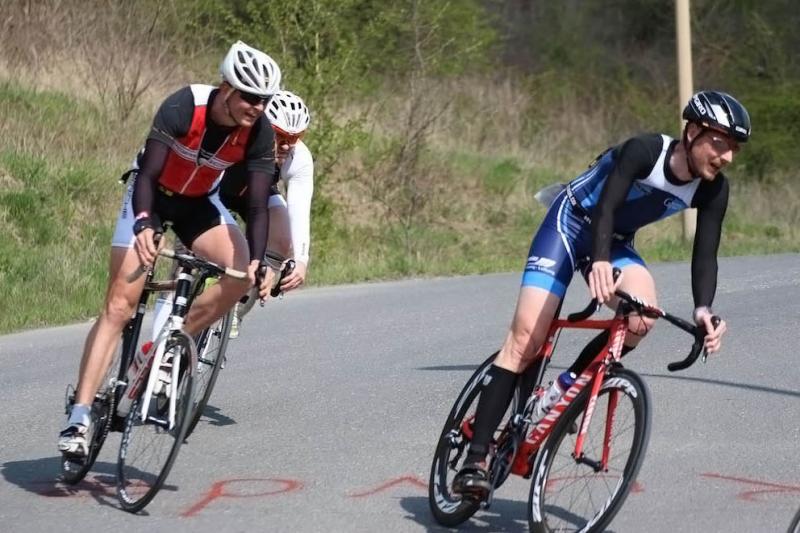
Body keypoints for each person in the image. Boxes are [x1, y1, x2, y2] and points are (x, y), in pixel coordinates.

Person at [451, 90, 751, 499]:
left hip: (615, 241)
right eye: (719, 143)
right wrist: (600, 261)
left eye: (733, 148)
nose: (727, 156)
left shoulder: (713, 190)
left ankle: (562, 391)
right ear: (693, 131)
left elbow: (706, 255)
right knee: (525, 340)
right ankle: (475, 459)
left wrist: (703, 310)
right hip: (570, 224)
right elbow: (606, 207)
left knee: (642, 316)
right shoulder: (645, 151)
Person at [58, 41, 282, 456]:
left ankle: (168, 345)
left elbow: (256, 205)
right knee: (120, 306)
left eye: (264, 100)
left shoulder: (259, 131)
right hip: (151, 197)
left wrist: (257, 261)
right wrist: (144, 223)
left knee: (239, 277)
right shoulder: (185, 105)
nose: (257, 107)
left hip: (198, 204)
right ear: (227, 88)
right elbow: (147, 173)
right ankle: (80, 416)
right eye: (250, 97)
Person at [216, 89, 314, 335]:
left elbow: (299, 210)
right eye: (280, 135)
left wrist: (301, 261)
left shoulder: (299, 157)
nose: (286, 145)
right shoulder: (238, 134)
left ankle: (237, 309)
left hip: (257, 193)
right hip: (218, 188)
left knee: (282, 238)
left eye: (295, 137)